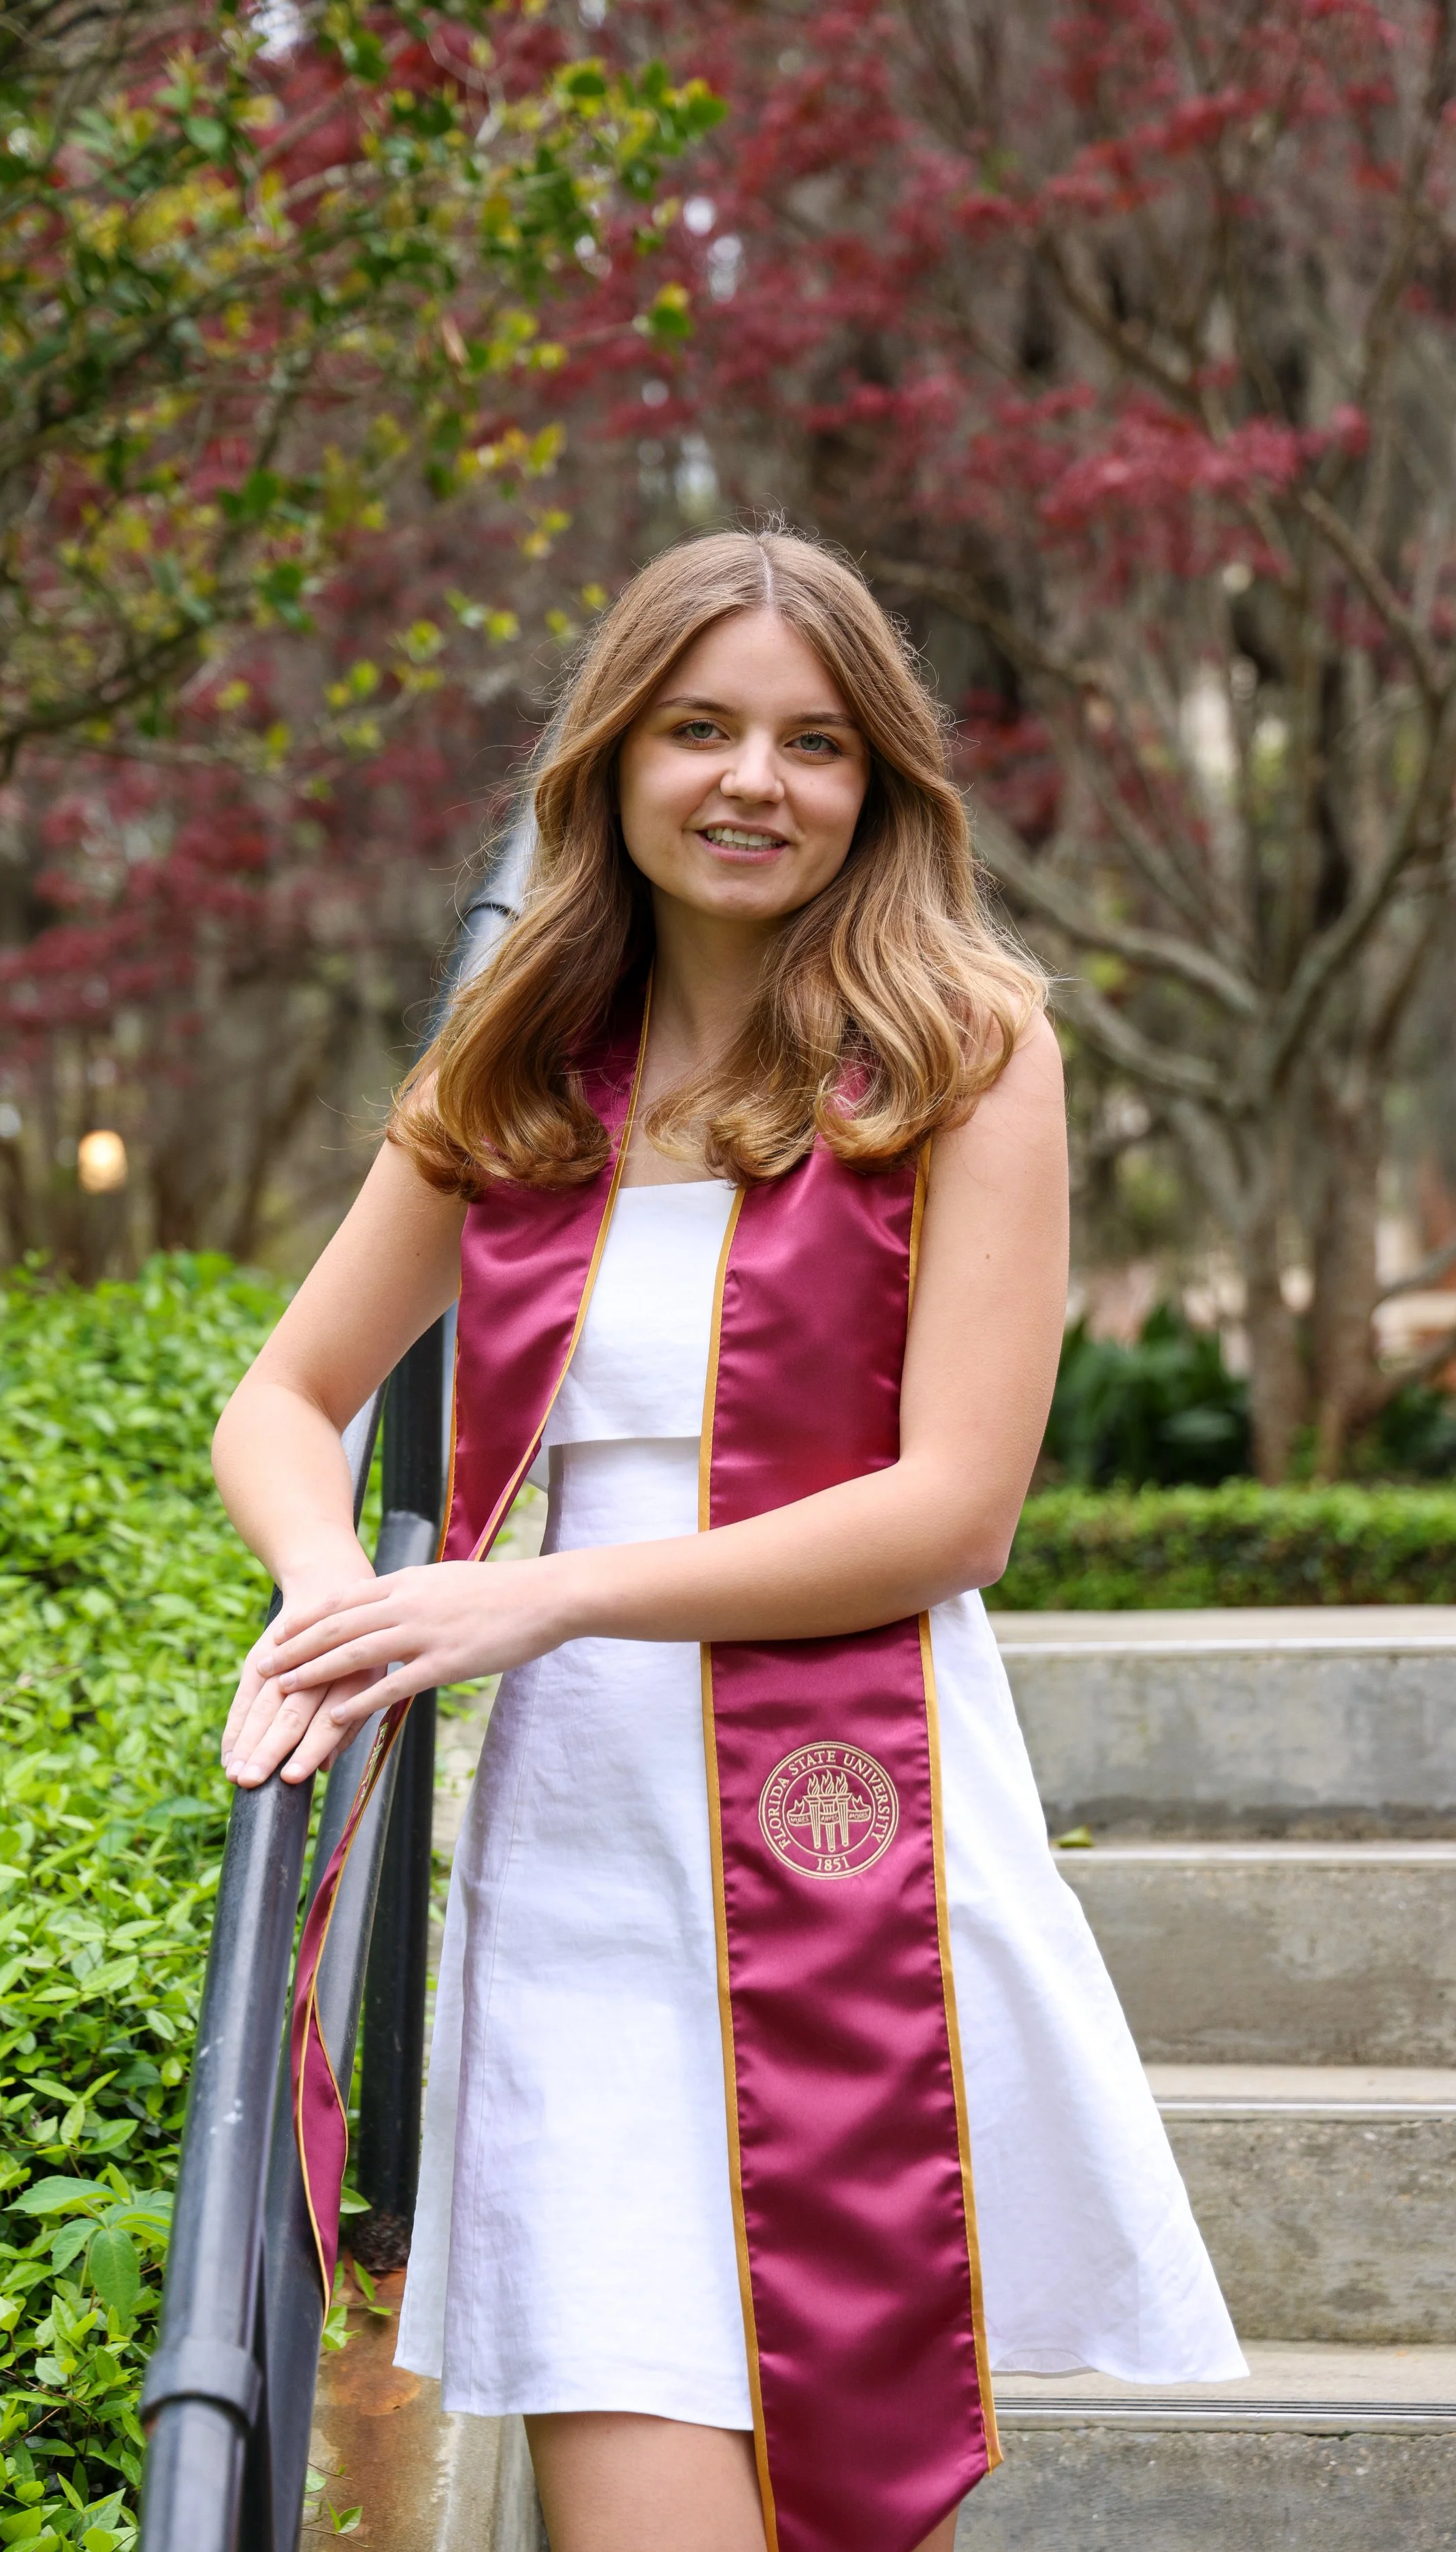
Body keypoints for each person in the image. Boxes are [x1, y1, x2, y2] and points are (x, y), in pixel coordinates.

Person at [211, 528, 1244, 2552]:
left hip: (861, 1827)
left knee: (845, 2495)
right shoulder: (516, 1078)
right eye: (698, 728)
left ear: (880, 786)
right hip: (588, 1861)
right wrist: (341, 1594)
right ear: (609, 760)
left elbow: (955, 1508)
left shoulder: (963, 1053)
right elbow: (280, 1400)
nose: (753, 780)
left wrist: (537, 1595)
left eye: (814, 741)